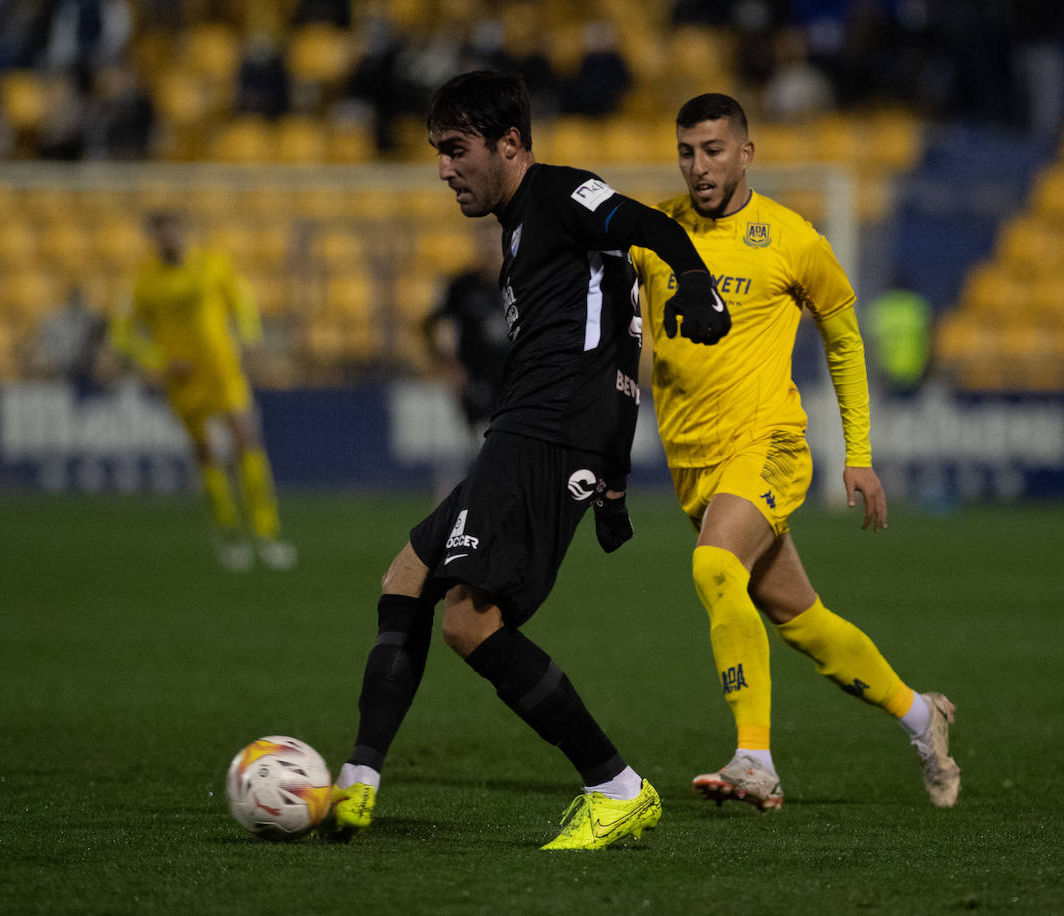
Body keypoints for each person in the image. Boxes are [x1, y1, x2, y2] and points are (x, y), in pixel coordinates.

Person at [328, 70, 729, 851]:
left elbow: (649, 225)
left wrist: (697, 284)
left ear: (509, 145)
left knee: (470, 621)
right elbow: (624, 345)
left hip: (544, 432)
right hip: (540, 431)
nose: (444, 168)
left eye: (456, 149)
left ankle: (615, 786)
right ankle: (358, 782)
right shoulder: (524, 234)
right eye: (438, 152)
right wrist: (612, 482)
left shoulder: (557, 195)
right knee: (406, 573)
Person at [630, 93, 960, 812]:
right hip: (695, 463)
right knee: (802, 621)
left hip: (770, 444)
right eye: (687, 152)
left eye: (714, 150)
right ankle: (919, 715)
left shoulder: (791, 238)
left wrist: (860, 453)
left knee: (716, 567)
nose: (699, 166)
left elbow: (844, 339)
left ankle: (755, 760)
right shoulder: (652, 234)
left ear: (746, 153)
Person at [112, 210, 294, 572]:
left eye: (174, 230)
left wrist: (250, 340)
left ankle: (266, 532)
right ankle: (229, 533)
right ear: (154, 238)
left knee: (247, 439)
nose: (170, 239)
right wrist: (160, 361)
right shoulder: (145, 281)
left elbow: (241, 302)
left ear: (185, 230)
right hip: (182, 379)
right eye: (161, 233)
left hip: (222, 370)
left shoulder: (213, 265)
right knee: (205, 453)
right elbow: (124, 334)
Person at [420, 226, 509, 495]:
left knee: (506, 453)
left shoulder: (521, 281)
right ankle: (450, 511)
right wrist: (449, 365)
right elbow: (437, 325)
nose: (492, 248)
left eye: (496, 242)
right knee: (471, 450)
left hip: (516, 380)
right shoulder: (462, 285)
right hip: (475, 380)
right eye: (486, 241)